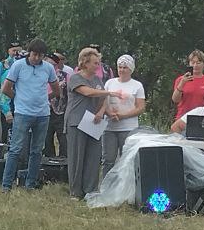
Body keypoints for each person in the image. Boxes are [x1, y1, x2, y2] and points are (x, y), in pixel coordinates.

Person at [0, 37, 60, 191]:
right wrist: (18, 98)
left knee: (37, 150)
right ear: (29, 53)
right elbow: (6, 88)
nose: (37, 58)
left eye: (40, 55)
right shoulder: (18, 66)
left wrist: (46, 98)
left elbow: (56, 89)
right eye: (34, 55)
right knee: (15, 149)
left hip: (42, 114)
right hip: (22, 113)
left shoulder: (48, 68)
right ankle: (6, 184)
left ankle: (30, 184)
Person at [65, 47, 114, 199]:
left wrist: (101, 112)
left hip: (94, 121)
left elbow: (103, 98)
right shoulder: (75, 78)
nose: (97, 66)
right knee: (77, 157)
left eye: (98, 63)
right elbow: (88, 92)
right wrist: (110, 92)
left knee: (93, 156)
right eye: (94, 63)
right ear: (85, 63)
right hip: (77, 120)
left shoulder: (97, 80)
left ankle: (90, 189)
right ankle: (76, 191)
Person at [102, 54, 146, 176]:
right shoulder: (109, 83)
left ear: (131, 69)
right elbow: (103, 102)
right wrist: (109, 113)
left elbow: (140, 107)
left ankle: (126, 186)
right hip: (109, 127)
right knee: (108, 159)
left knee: (126, 159)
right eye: (120, 67)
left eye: (125, 67)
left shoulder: (137, 86)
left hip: (128, 127)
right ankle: (107, 186)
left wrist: (123, 115)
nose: (121, 70)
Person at [0, 41, 23, 146]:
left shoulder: (25, 65)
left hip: (21, 106)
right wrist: (5, 108)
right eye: (13, 50)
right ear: (8, 51)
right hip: (7, 105)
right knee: (6, 137)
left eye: (18, 51)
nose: (16, 53)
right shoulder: (2, 66)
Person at [171, 49, 204, 119]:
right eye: (193, 62)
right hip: (183, 118)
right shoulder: (180, 80)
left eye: (198, 62)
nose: (195, 65)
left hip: (202, 118)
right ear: (189, 63)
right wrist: (182, 83)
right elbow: (175, 100)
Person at [44, 49, 71, 158]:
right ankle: (49, 162)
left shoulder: (65, 76)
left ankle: (63, 163)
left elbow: (71, 93)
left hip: (61, 111)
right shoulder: (41, 75)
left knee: (63, 139)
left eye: (52, 64)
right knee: (46, 138)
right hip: (45, 110)